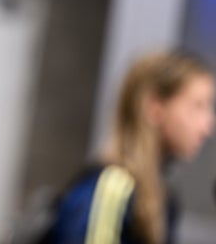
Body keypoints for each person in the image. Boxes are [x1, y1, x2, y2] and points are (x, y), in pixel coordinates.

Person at [42, 50, 215, 244]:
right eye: (197, 106)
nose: (207, 126)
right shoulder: (112, 188)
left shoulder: (162, 197)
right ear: (155, 108)